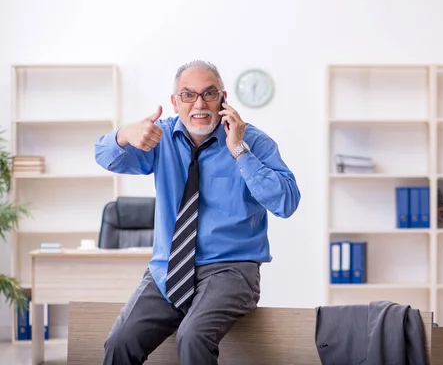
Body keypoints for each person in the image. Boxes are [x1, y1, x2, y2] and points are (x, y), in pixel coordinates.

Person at [94, 60, 301, 364]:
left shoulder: (254, 142)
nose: (200, 104)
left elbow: (286, 203)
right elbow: (104, 155)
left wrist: (239, 151)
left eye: (209, 94)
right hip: (168, 270)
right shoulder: (158, 137)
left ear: (224, 99)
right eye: (188, 95)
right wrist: (125, 133)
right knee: (119, 343)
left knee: (192, 336)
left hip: (230, 269)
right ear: (174, 102)